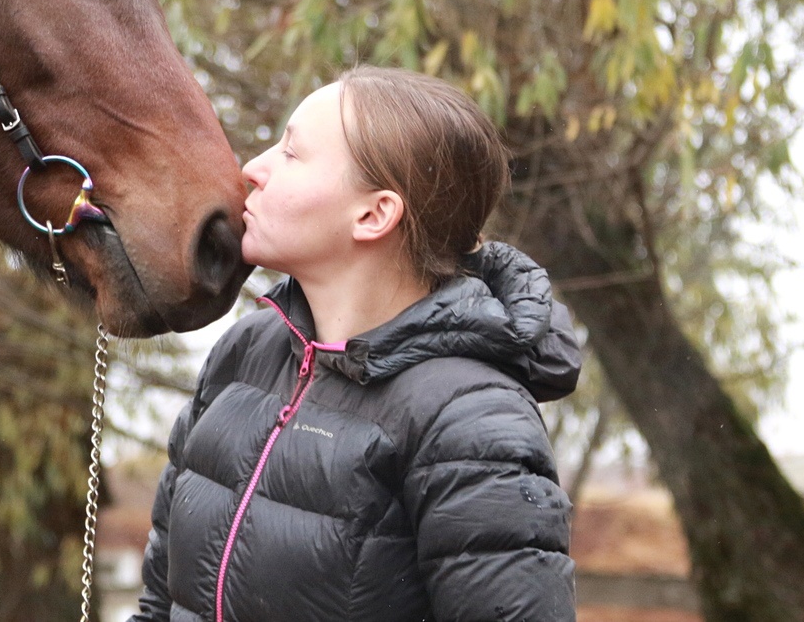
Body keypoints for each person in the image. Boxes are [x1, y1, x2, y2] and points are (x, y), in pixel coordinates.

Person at [132, 66, 581, 622]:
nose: (253, 169)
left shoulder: (472, 421)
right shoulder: (245, 351)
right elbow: (160, 603)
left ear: (373, 214)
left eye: (291, 153)